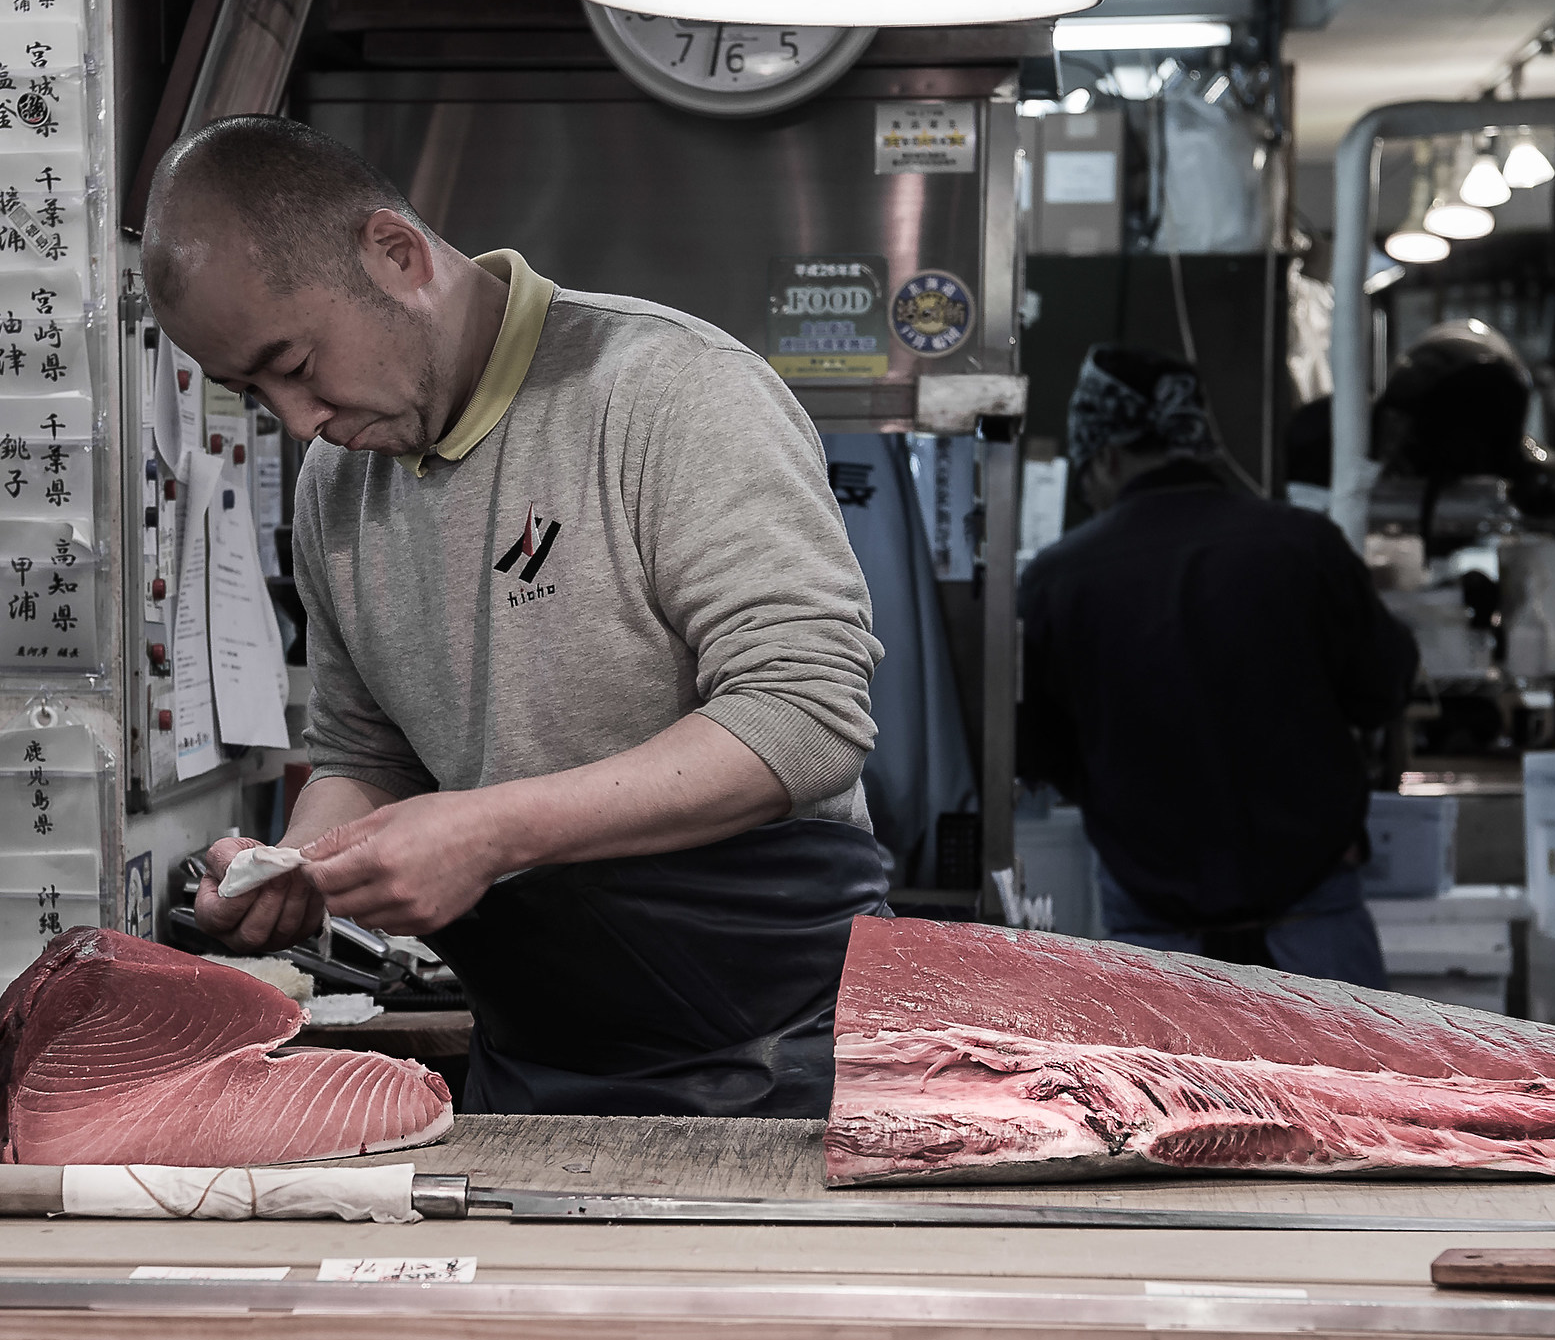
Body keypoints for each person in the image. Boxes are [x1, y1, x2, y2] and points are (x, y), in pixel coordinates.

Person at [140, 116, 888, 1116]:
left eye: (297, 362)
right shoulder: (336, 485)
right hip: (538, 1054)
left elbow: (807, 717)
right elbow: (367, 755)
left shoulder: (669, 393)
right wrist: (305, 868)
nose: (298, 420)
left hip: (787, 1046)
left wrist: (491, 832)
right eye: (252, 391)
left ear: (397, 255)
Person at [1017, 346, 1421, 983]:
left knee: (1168, 1088)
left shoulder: (1057, 578)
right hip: (1312, 911)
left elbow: (1034, 753)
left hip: (1155, 928)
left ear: (1107, 457)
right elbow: (1383, 687)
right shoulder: (1303, 544)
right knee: (1346, 1085)